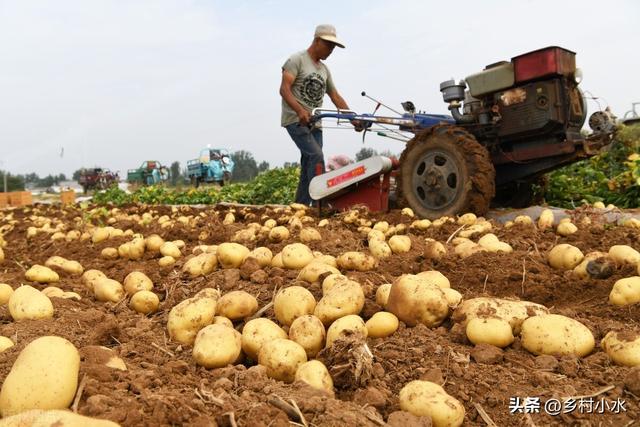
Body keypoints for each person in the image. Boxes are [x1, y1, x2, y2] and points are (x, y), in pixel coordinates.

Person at [280, 24, 360, 206]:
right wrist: (300, 111)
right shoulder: (296, 60)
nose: (331, 50)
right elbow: (284, 90)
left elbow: (335, 96)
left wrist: (353, 119)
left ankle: (299, 205)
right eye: (328, 45)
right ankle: (320, 205)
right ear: (317, 40)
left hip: (316, 122)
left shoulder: (324, 70)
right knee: (316, 156)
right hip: (296, 120)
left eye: (333, 47)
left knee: (309, 162)